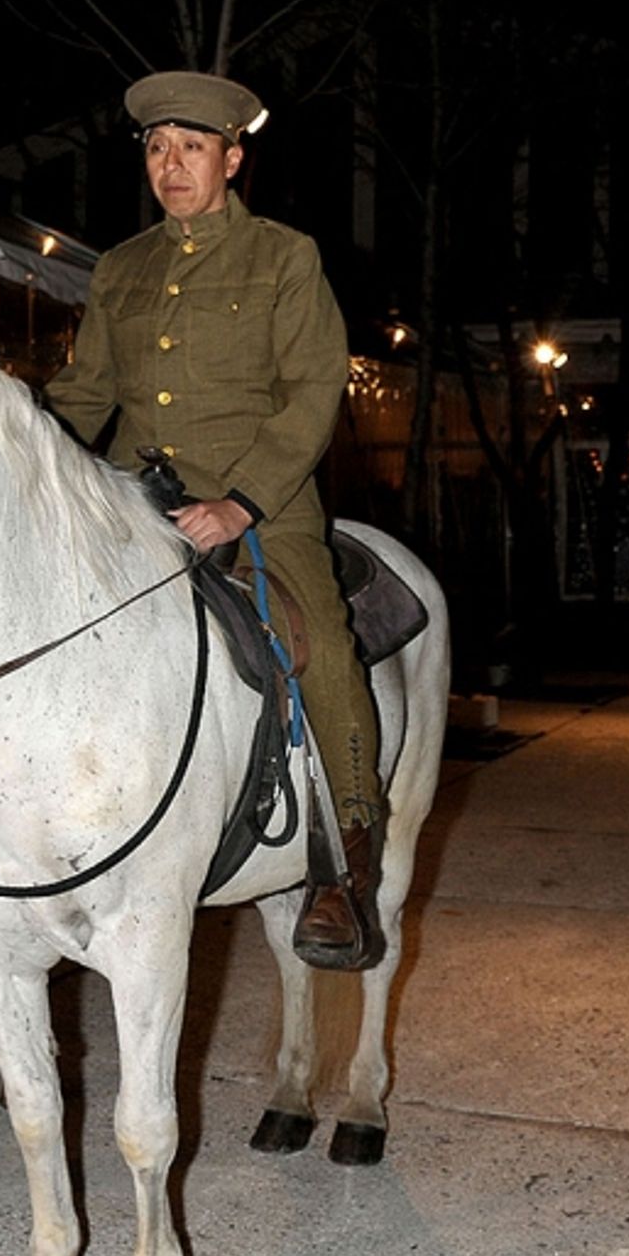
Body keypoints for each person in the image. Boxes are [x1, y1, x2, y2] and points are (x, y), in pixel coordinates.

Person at [43, 69, 386, 970]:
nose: (172, 165)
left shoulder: (284, 256)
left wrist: (239, 503)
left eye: (192, 147)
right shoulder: (121, 268)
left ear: (232, 159)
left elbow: (313, 391)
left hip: (262, 507)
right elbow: (86, 394)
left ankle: (345, 860)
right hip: (134, 504)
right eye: (157, 148)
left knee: (318, 640)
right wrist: (25, 456)